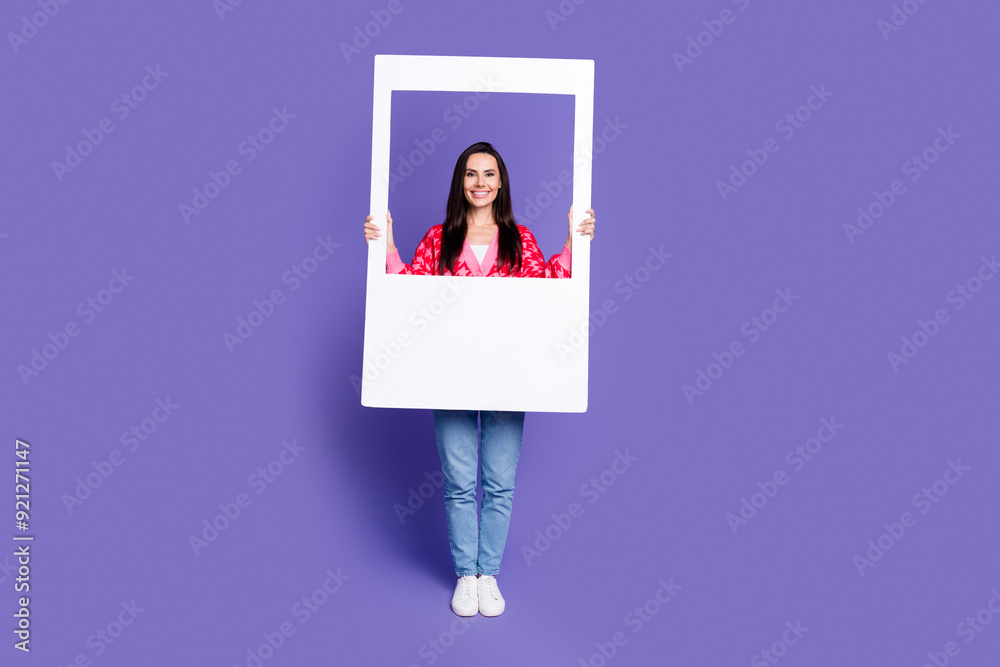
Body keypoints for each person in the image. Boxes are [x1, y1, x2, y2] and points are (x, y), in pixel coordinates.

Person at [363, 141, 596, 617]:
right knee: (459, 480)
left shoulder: (519, 239)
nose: (480, 183)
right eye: (471, 174)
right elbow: (406, 291)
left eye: (489, 174)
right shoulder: (438, 239)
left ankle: (488, 574)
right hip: (447, 374)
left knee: (499, 480)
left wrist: (574, 242)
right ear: (460, 182)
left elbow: (550, 287)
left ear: (502, 183)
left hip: (509, 376)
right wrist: (384, 244)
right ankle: (465, 577)